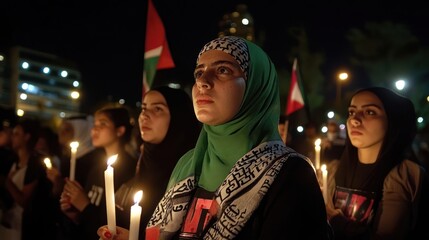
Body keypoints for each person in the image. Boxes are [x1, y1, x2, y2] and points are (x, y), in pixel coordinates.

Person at [97, 36, 330, 239]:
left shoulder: (289, 174)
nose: (202, 81)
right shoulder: (188, 164)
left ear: (255, 86)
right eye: (199, 72)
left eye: (223, 70)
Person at [325, 87, 429, 239]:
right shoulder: (334, 169)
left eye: (370, 112)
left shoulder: (405, 175)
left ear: (393, 120)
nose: (354, 120)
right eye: (352, 112)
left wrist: (336, 221)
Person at [114, 85, 201, 239]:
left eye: (157, 109)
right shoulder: (141, 163)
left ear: (178, 117)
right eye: (144, 108)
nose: (144, 116)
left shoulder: (192, 173)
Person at [60, 106, 138, 239]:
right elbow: (87, 219)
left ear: (120, 130)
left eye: (103, 124)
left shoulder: (129, 169)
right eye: (94, 124)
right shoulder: (98, 167)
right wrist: (74, 213)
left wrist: (84, 205)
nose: (95, 129)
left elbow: (119, 223)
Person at [1, 118, 57, 240]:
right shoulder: (12, 160)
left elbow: (24, 201)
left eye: (16, 134)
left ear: (27, 137)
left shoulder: (35, 164)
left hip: (26, 227)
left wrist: (5, 181)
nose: (12, 137)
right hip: (8, 223)